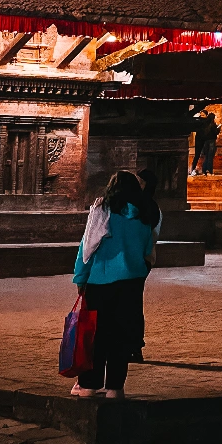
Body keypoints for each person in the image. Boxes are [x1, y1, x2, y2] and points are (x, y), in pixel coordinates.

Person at [69, 170, 156, 399]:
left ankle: (89, 385)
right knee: (121, 336)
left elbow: (87, 247)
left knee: (95, 335)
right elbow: (148, 250)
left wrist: (81, 277)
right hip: (131, 283)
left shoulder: (102, 210)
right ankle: (115, 387)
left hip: (101, 281)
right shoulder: (145, 214)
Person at [128, 169, 163, 364]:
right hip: (145, 259)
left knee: (129, 304)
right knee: (134, 303)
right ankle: (134, 346)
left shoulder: (140, 207)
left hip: (136, 260)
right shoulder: (152, 206)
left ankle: (131, 345)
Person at [191, 111, 219, 176]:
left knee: (206, 156)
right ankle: (193, 169)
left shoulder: (208, 123)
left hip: (205, 140)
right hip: (200, 140)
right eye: (201, 116)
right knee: (198, 155)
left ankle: (204, 170)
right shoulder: (202, 123)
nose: (201, 117)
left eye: (203, 115)